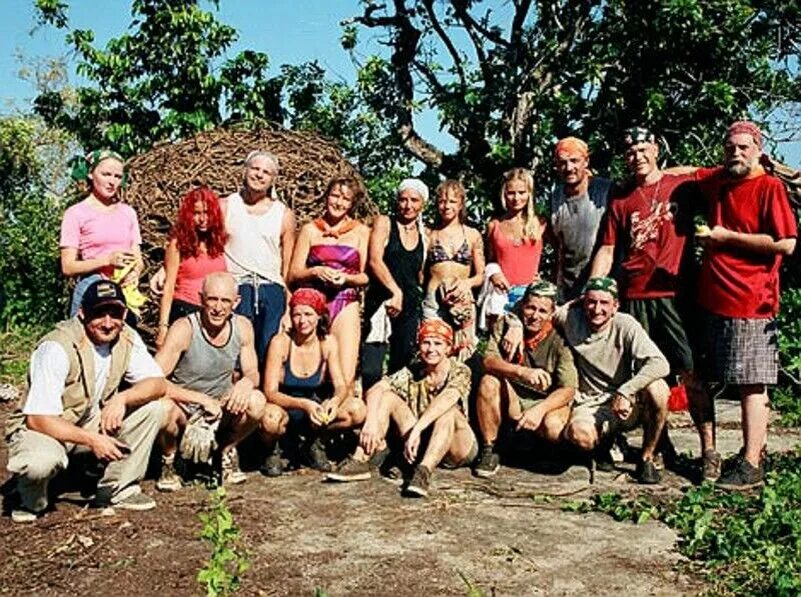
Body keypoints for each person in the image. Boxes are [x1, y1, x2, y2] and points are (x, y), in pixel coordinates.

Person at [589, 126, 703, 475]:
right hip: (634, 294)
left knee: (689, 371)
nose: (637, 157)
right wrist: (596, 287)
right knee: (647, 376)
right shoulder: (621, 198)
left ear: (655, 149)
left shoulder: (678, 187)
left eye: (643, 149)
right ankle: (659, 443)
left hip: (674, 294)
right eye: (630, 152)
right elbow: (607, 248)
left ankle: (708, 449)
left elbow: (710, 175)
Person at [5, 280, 167, 522]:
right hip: (46, 426)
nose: (108, 322)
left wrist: (123, 398)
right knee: (39, 462)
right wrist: (93, 440)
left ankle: (117, 489)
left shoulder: (126, 338)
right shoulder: (57, 346)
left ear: (124, 313)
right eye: (99, 313)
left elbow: (158, 383)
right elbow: (38, 419)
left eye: (115, 313)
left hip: (89, 418)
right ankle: (28, 495)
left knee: (153, 407)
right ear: (82, 313)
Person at [690, 121, 797, 487]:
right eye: (730, 147)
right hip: (712, 298)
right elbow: (686, 174)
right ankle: (734, 455)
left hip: (752, 299)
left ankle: (752, 462)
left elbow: (786, 244)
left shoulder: (769, 187)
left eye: (743, 147)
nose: (736, 153)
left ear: (758, 149)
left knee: (753, 383)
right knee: (709, 377)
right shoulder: (719, 180)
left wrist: (726, 237)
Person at [326, 320, 477, 498]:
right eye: (426, 342)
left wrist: (417, 429)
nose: (431, 349)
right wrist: (371, 422)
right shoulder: (413, 370)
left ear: (448, 347)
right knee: (388, 397)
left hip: (456, 445)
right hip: (422, 441)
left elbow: (448, 398)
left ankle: (423, 471)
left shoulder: (460, 370)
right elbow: (377, 388)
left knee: (448, 411)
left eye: (438, 344)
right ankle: (361, 458)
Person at [154, 272, 272, 488]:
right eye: (212, 299)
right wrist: (199, 399)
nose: (218, 308)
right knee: (161, 408)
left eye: (225, 300)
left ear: (235, 302)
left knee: (256, 401)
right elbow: (153, 381)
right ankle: (169, 461)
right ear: (201, 299)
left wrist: (246, 383)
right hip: (185, 407)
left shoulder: (242, 327)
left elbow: (253, 371)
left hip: (221, 406)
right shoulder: (184, 328)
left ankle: (224, 452)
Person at [559, 277, 671, 484]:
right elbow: (535, 307)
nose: (597, 309)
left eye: (604, 303)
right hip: (590, 402)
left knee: (659, 389)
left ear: (615, 306)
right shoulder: (570, 318)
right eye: (591, 302)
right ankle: (602, 445)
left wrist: (626, 391)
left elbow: (660, 364)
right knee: (579, 435)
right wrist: (514, 326)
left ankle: (647, 456)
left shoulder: (625, 324)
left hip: (625, 400)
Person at [474, 280, 578, 477]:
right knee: (489, 381)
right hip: (512, 394)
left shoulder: (560, 339)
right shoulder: (506, 325)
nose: (535, 316)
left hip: (543, 401)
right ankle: (489, 448)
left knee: (554, 426)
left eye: (542, 311)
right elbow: (488, 360)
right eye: (530, 308)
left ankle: (543, 448)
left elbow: (569, 388)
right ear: (522, 305)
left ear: (551, 312)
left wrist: (539, 410)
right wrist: (522, 372)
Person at [260, 288, 366, 475]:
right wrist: (303, 405)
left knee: (356, 410)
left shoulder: (327, 343)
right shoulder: (281, 343)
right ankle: (272, 449)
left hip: (314, 410)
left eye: (308, 314)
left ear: (318, 316)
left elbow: (341, 385)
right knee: (269, 419)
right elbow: (270, 391)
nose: (302, 321)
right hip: (285, 406)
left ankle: (314, 443)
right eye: (297, 315)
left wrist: (333, 401)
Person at [288, 177, 371, 392]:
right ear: (326, 197)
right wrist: (315, 271)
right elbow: (293, 274)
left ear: (352, 204)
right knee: (315, 369)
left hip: (345, 301)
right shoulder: (309, 230)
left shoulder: (361, 231)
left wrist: (346, 278)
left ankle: (340, 419)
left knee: (345, 373)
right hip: (314, 303)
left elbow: (365, 277)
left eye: (345, 199)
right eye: (335, 195)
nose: (338, 202)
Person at [223, 151, 296, 368]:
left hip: (271, 290)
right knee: (235, 354)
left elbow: (288, 266)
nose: (259, 175)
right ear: (245, 171)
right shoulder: (226, 206)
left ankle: (266, 399)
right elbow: (202, 245)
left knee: (268, 354)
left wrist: (288, 307)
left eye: (266, 172)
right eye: (255, 169)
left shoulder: (283, 214)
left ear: (273, 179)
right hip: (236, 288)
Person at [61, 150, 144, 323]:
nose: (112, 181)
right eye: (106, 174)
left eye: (117, 176)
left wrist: (134, 273)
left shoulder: (128, 213)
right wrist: (107, 261)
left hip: (124, 291)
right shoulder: (76, 213)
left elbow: (138, 259)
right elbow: (68, 267)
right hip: (91, 287)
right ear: (91, 174)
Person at [362, 178, 428, 389]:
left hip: (409, 308)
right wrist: (394, 291)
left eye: (414, 201)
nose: (408, 206)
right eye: (403, 200)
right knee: (371, 368)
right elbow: (375, 260)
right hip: (381, 303)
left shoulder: (424, 235)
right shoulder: (384, 223)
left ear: (423, 204)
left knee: (402, 367)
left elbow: (421, 274)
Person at [156, 187, 228, 349]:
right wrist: (163, 327)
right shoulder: (178, 244)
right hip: (185, 310)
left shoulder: (220, 243)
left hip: (214, 314)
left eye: (207, 213)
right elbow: (169, 287)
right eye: (197, 213)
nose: (202, 219)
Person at [423, 180, 485, 360]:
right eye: (442, 201)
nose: (446, 206)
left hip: (463, 299)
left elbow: (480, 275)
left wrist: (467, 283)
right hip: (434, 300)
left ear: (460, 204)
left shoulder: (472, 234)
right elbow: (419, 271)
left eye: (451, 201)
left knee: (463, 351)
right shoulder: (429, 234)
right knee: (433, 349)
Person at [479, 168, 547, 331]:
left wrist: (546, 279)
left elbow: (561, 253)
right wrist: (493, 273)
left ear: (529, 193)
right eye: (511, 193)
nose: (516, 198)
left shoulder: (540, 224)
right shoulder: (494, 225)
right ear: (504, 194)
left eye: (522, 192)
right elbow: (488, 260)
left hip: (531, 296)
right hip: (501, 294)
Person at [549, 137, 615, 302]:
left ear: (586, 161)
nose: (569, 168)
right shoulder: (555, 198)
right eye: (562, 162)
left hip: (605, 288)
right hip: (568, 290)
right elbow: (558, 248)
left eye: (574, 161)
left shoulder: (606, 191)